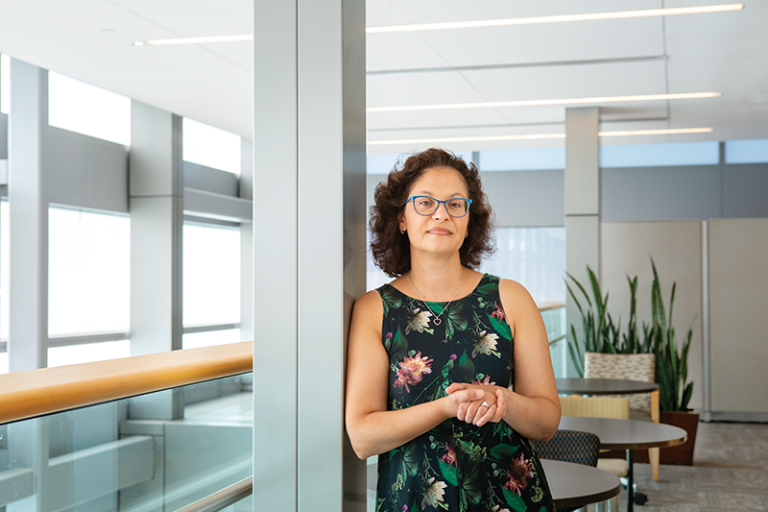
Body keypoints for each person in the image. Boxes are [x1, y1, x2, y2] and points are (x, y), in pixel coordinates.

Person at [345, 148, 561, 512]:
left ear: (468, 219)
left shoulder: (511, 298)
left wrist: (500, 402)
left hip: (508, 497)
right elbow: (363, 437)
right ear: (401, 218)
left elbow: (546, 422)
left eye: (455, 204)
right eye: (425, 203)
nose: (441, 213)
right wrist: (446, 407)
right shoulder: (374, 309)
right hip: (414, 500)